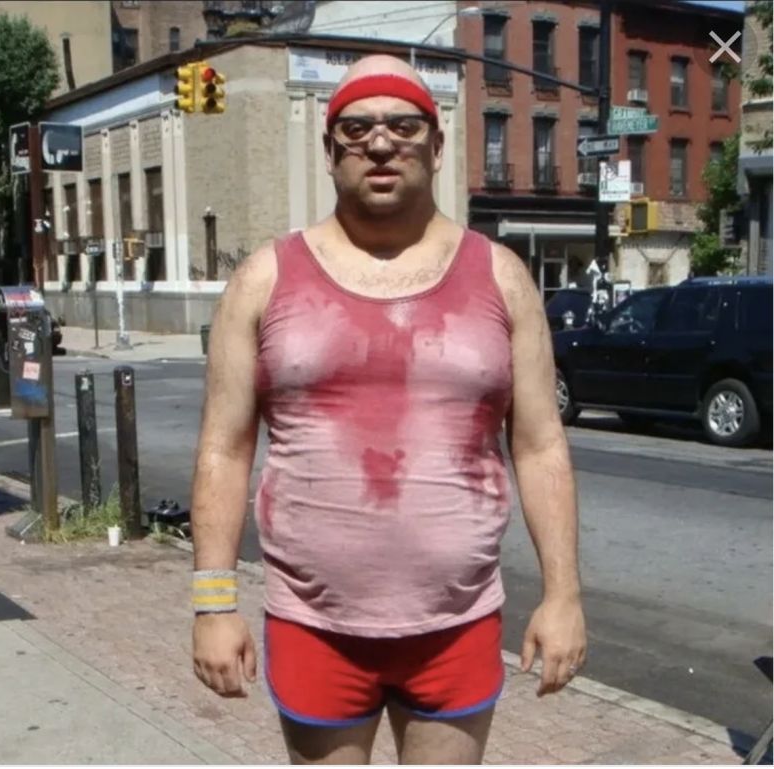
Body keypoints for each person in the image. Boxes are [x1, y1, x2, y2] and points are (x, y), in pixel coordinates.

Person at [190, 53, 586, 765]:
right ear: (329, 149)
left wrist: (564, 594)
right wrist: (214, 602)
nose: (379, 142)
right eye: (356, 129)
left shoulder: (502, 277)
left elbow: (539, 444)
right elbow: (224, 448)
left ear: (436, 147)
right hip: (314, 624)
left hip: (457, 624)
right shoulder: (263, 280)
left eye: (403, 126)